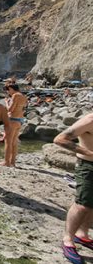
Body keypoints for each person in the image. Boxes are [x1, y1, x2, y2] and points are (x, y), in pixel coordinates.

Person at [54, 113, 93, 264]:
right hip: (88, 166)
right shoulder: (90, 120)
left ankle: (82, 235)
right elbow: (60, 139)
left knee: (91, 203)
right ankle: (68, 240)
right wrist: (90, 153)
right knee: (82, 204)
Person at [2, 84, 28, 167]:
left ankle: (6, 162)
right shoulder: (23, 96)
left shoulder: (15, 95)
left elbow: (10, 109)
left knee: (8, 141)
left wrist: (6, 102)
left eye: (8, 90)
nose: (8, 92)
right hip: (20, 120)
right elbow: (23, 108)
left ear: (11, 89)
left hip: (13, 119)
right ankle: (12, 162)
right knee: (14, 142)